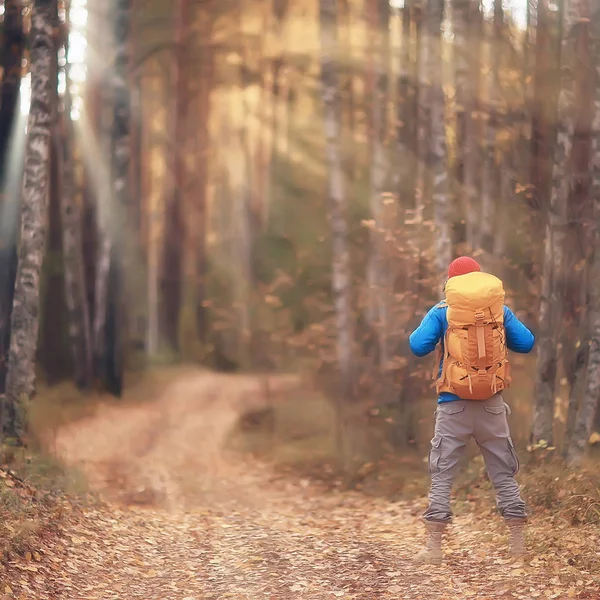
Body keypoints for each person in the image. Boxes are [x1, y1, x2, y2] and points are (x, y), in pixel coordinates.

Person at [409, 256, 535, 564]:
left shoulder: (443, 311)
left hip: (453, 406)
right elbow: (527, 342)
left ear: (452, 283)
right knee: (503, 471)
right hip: (492, 404)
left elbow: (417, 345)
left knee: (442, 473)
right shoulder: (498, 311)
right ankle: (517, 545)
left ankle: (434, 549)